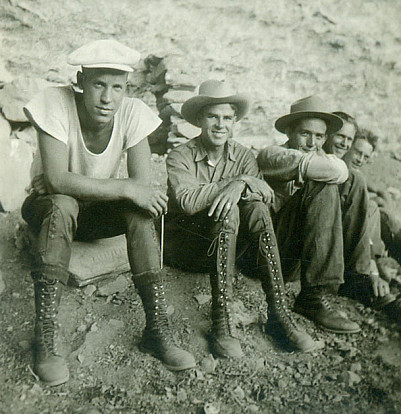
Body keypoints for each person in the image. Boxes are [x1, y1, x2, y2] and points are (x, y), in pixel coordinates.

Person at [21, 39, 195, 386]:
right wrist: (124, 186)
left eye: (117, 87)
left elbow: (141, 190)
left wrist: (128, 190)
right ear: (81, 81)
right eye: (99, 84)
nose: (107, 97)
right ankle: (46, 338)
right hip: (49, 208)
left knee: (138, 211)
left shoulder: (131, 112)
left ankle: (157, 327)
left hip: (92, 211)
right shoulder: (55, 102)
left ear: (126, 89)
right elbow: (56, 180)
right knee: (63, 201)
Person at [165, 80, 321, 359]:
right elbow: (188, 201)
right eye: (212, 116)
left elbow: (268, 197)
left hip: (226, 247)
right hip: (187, 247)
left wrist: (243, 183)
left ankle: (279, 314)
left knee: (256, 209)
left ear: (234, 121)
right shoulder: (180, 156)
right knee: (230, 208)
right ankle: (221, 322)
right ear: (200, 119)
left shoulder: (243, 155)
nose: (220, 124)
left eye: (227, 117)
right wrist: (235, 182)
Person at [257, 96, 360, 334]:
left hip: (296, 259)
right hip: (267, 254)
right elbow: (334, 170)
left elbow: (343, 172)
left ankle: (352, 278)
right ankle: (313, 297)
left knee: (354, 183)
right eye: (305, 133)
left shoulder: (322, 158)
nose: (312, 142)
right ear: (290, 132)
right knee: (323, 185)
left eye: (320, 136)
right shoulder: (272, 155)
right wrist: (336, 166)